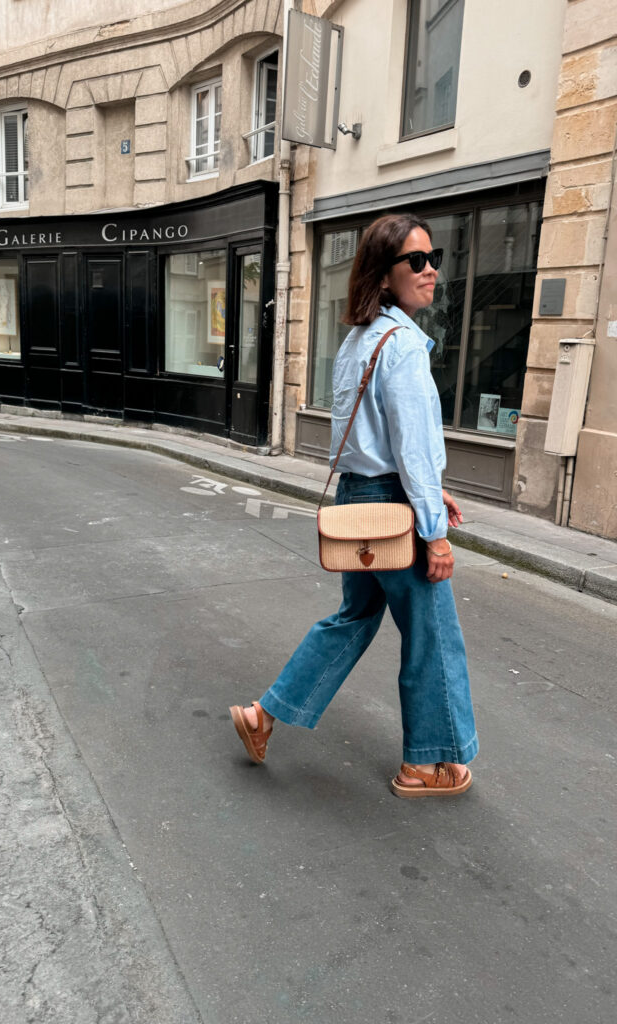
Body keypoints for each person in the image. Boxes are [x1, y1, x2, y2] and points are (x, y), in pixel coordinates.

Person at [229, 213, 478, 797]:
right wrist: (435, 531)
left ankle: (264, 714)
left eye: (433, 257)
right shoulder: (405, 347)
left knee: (355, 617)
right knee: (432, 634)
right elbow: (412, 448)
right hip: (395, 506)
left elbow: (369, 437)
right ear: (385, 275)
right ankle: (426, 765)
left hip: (362, 498)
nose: (431, 270)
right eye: (415, 261)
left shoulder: (357, 341)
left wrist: (426, 487)